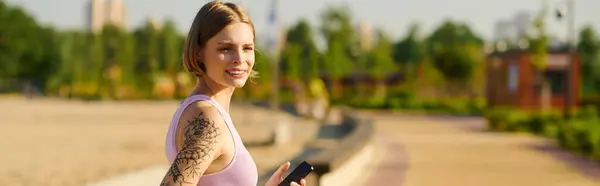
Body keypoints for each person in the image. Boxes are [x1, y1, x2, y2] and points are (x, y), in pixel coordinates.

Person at [159, 1, 307, 186]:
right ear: (198, 52)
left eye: (247, 48)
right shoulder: (208, 120)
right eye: (226, 49)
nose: (239, 59)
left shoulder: (195, 108)